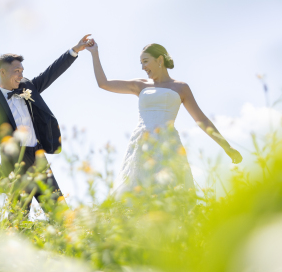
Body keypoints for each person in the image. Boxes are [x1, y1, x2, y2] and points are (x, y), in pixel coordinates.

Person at [85, 38, 242, 196]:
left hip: (168, 144)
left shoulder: (181, 88)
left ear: (160, 60)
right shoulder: (140, 85)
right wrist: (94, 53)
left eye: (145, 61)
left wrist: (227, 147)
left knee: (169, 191)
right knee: (137, 190)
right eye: (141, 63)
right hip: (142, 142)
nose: (143, 67)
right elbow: (103, 83)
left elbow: (201, 120)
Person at [0, 35, 92, 216]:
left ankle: (71, 241)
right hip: (15, 164)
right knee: (18, 216)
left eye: (22, 70)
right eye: (16, 71)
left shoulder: (27, 87)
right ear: (2, 72)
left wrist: (74, 51)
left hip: (38, 156)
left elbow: (50, 73)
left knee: (59, 211)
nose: (21, 74)